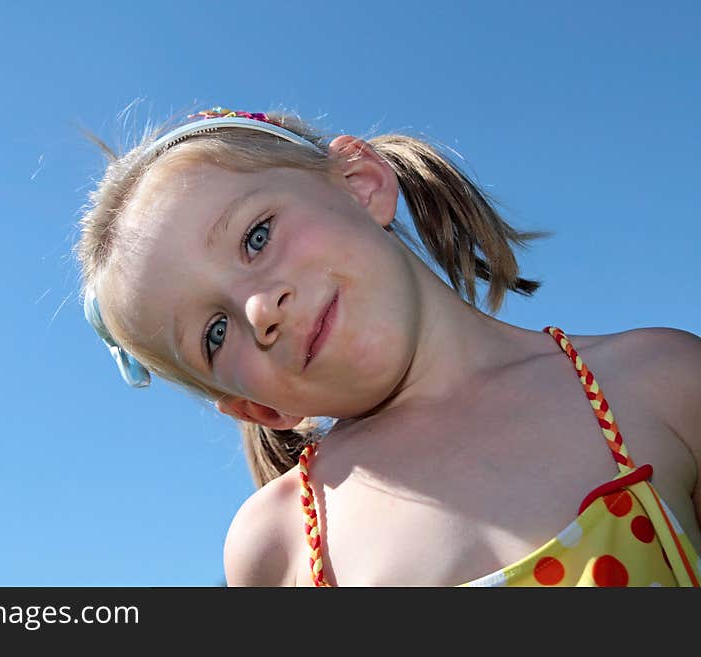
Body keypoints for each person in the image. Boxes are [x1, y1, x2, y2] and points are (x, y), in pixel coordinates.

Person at [75, 105, 701, 587]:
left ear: (360, 182)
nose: (259, 310)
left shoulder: (658, 380)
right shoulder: (277, 544)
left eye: (257, 236)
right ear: (255, 408)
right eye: (215, 333)